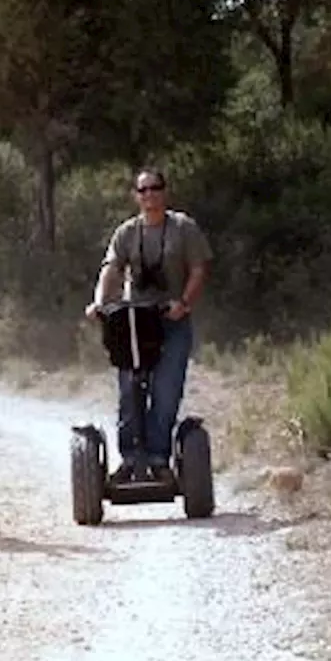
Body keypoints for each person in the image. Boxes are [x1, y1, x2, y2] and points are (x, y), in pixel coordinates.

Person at [85, 168, 213, 486]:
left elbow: (199, 269)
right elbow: (111, 268)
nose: (149, 195)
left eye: (155, 189)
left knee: (166, 392)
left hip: (171, 321)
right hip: (134, 324)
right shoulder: (127, 232)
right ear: (136, 196)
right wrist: (99, 302)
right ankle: (129, 458)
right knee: (129, 390)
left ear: (165, 192)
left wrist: (183, 303)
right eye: (143, 190)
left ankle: (158, 458)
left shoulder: (183, 228)